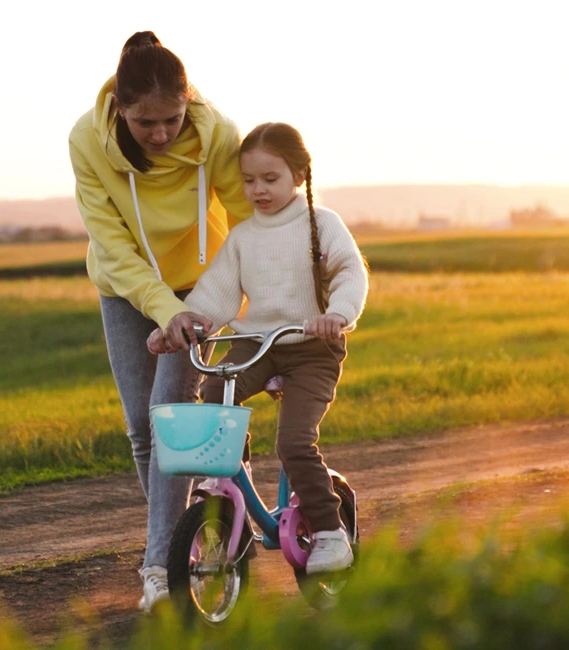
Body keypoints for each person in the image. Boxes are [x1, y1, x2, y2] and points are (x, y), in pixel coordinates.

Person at [69, 31, 254, 611]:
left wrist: (259, 286)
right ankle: (201, 538)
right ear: (120, 109)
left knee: (169, 419)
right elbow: (113, 246)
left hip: (203, 287)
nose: (160, 133)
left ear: (187, 101)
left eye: (171, 119)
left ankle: (160, 568)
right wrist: (162, 308)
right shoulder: (86, 141)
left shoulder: (217, 134)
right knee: (141, 428)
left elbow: (249, 215)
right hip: (127, 288)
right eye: (146, 123)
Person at [147, 122, 369, 574]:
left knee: (293, 441)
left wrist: (337, 314)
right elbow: (217, 294)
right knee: (212, 396)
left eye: (270, 179)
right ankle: (228, 479)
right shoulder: (245, 236)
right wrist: (178, 325)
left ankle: (330, 533)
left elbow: (350, 272)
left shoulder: (320, 225)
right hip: (257, 345)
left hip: (311, 346)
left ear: (299, 176)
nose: (258, 190)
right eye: (249, 180)